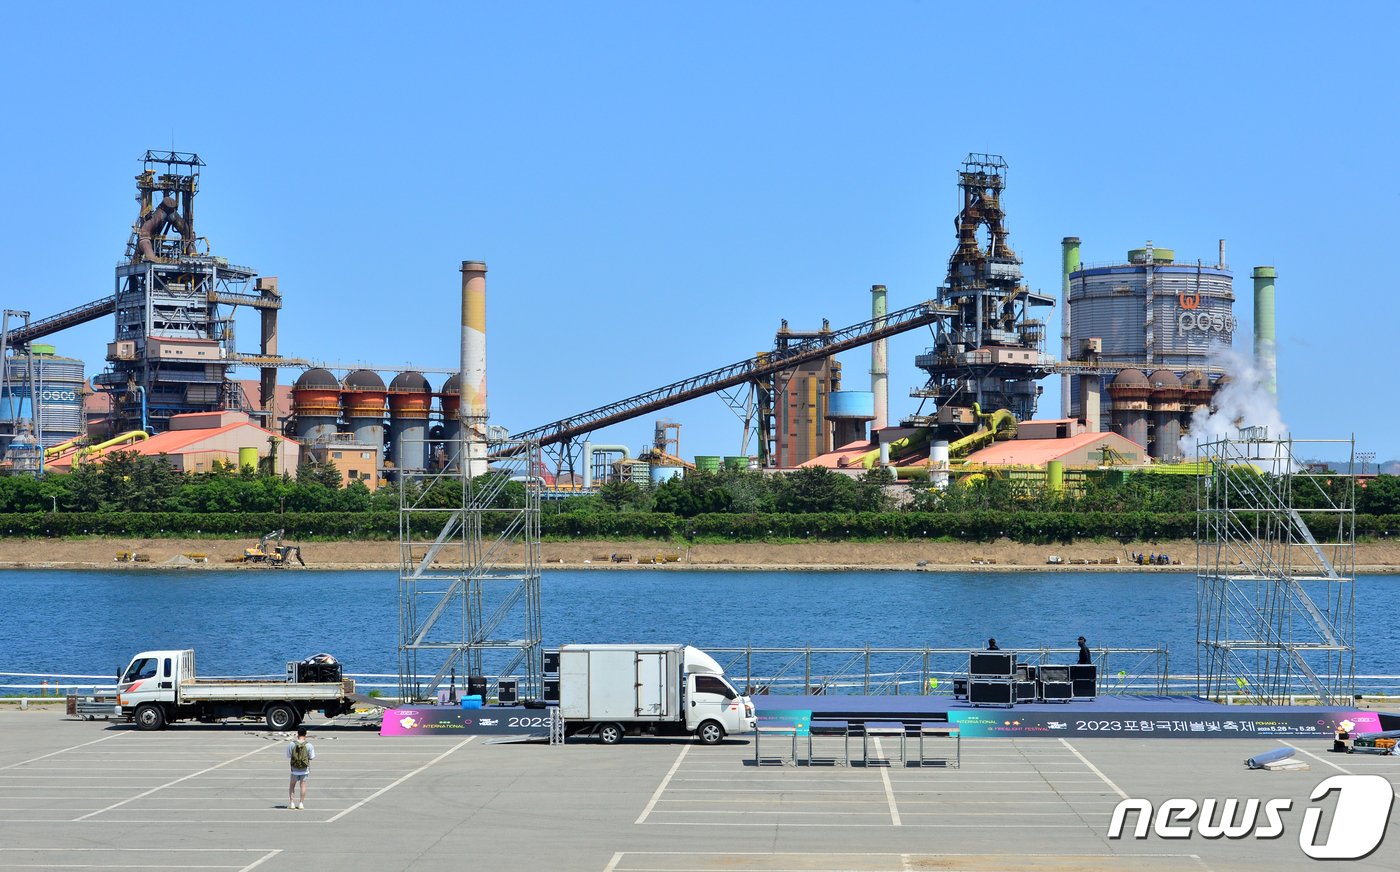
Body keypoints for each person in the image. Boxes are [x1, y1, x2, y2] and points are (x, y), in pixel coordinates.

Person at [287, 726, 315, 810]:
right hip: (304, 769)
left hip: (294, 769)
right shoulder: (309, 745)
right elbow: (312, 757)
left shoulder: (292, 744)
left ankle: (292, 803)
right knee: (303, 786)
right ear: (305, 734)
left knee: (292, 785)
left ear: (297, 734)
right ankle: (301, 803)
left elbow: (288, 756)